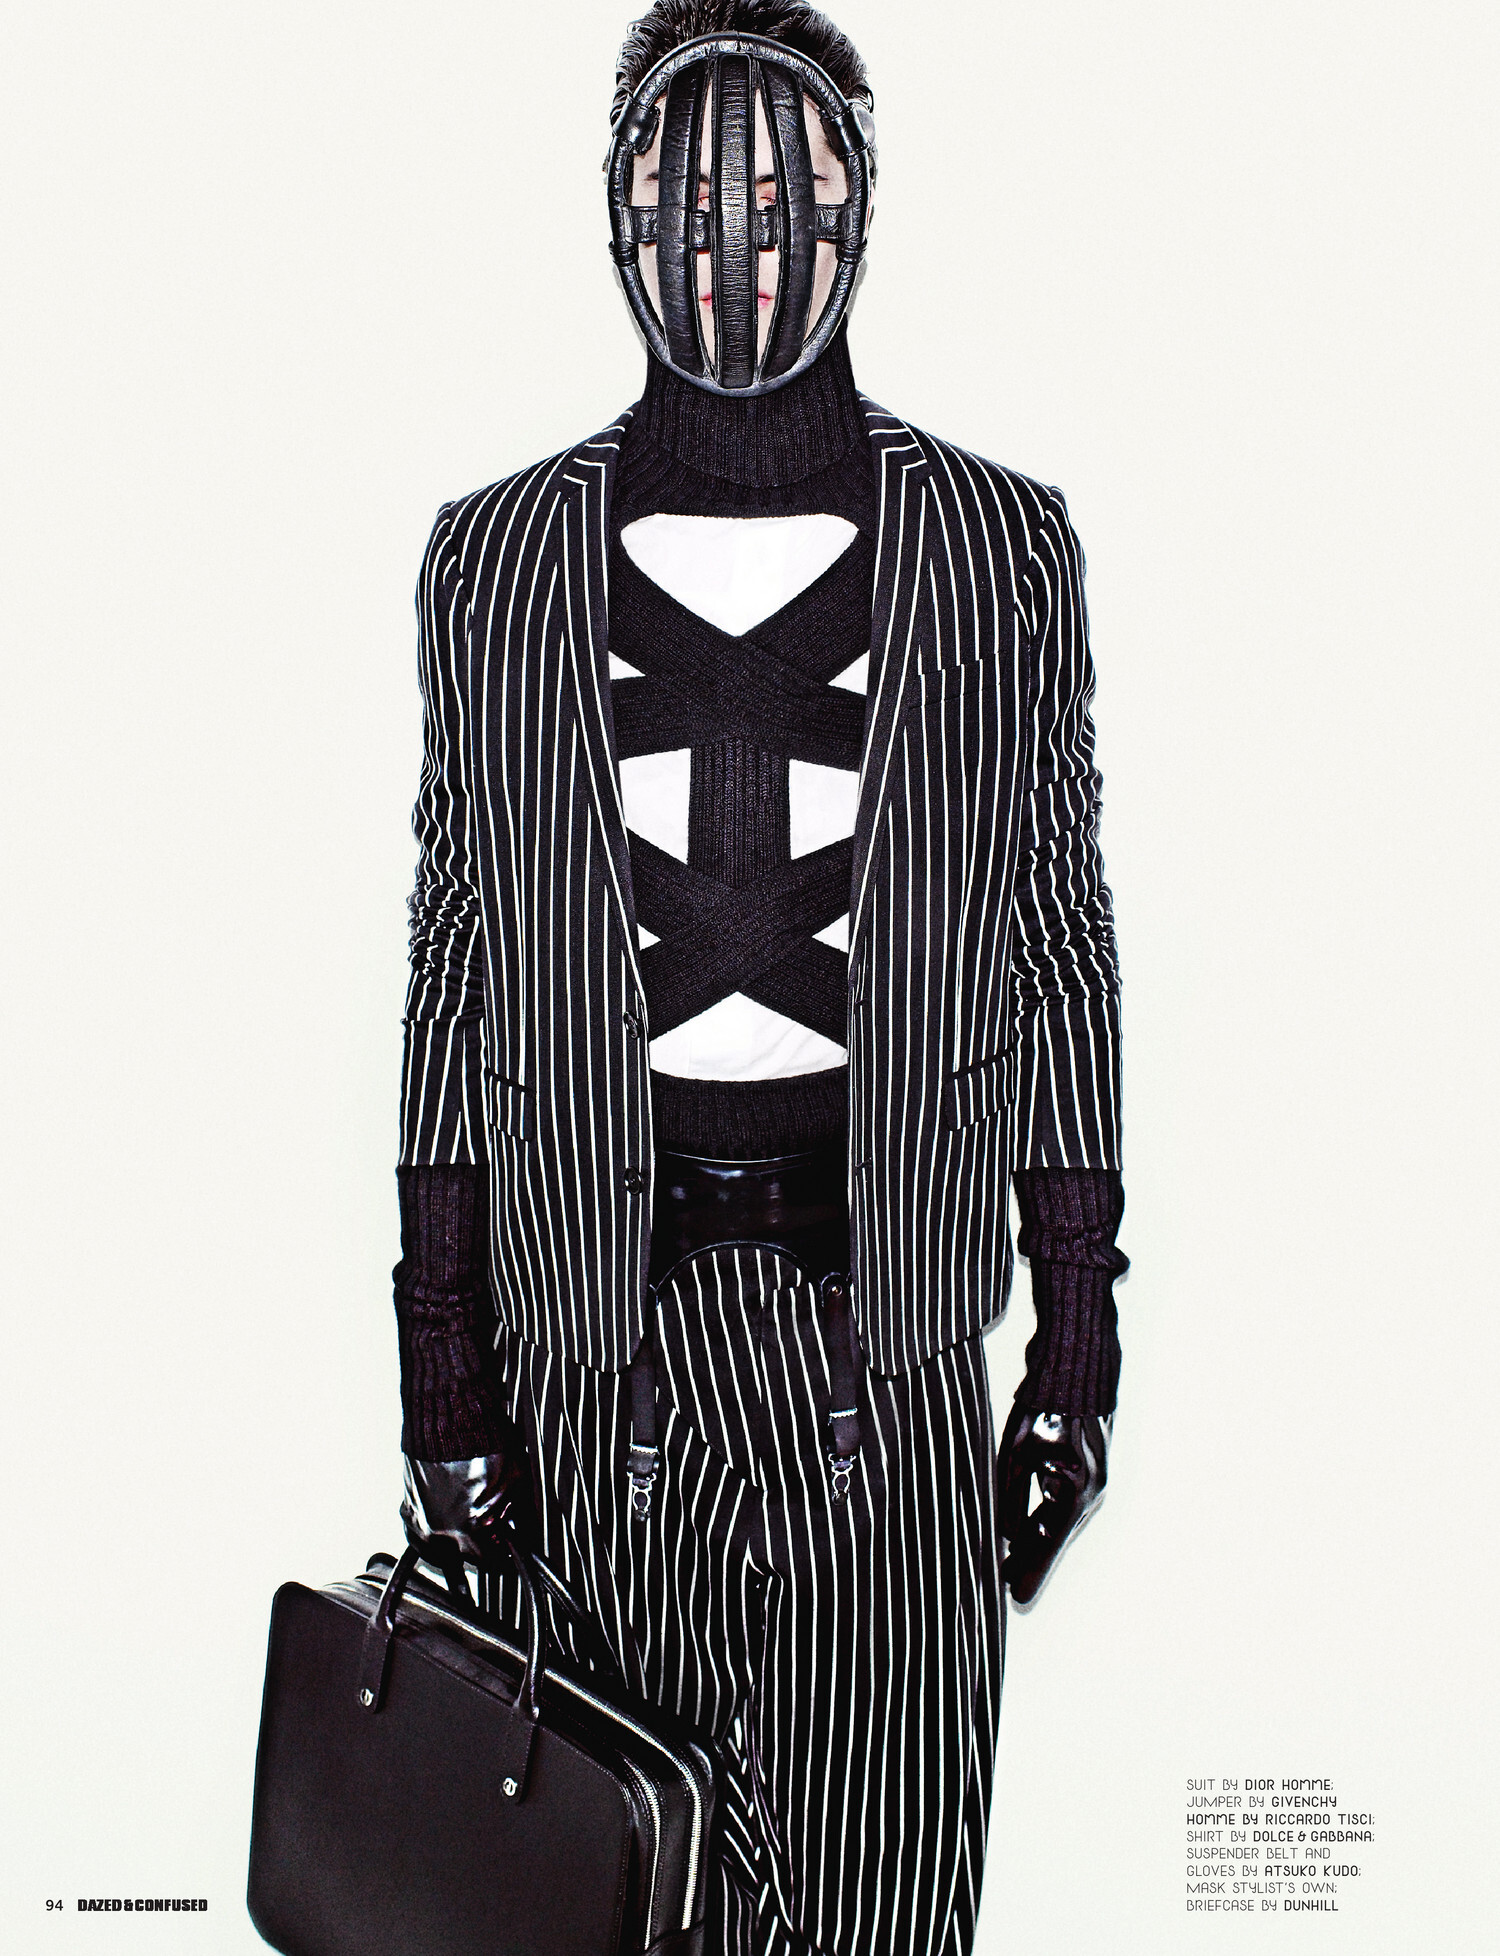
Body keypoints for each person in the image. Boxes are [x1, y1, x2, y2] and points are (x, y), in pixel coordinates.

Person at [392, 4, 1127, 1951]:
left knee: (886, 1907)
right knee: (606, 1899)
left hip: (888, 1348)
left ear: (853, 204)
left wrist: (1075, 1336)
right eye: (685, 184)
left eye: (776, 186)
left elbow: (1055, 938)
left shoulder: (998, 548)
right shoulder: (495, 562)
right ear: (620, 209)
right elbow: (460, 968)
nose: (729, 235)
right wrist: (443, 1361)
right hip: (591, 1355)